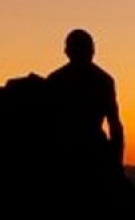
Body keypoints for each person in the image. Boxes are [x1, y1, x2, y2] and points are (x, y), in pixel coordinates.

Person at [46, 29, 126, 169]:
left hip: (74, 152)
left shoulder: (56, 79)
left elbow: (114, 124)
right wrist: (116, 161)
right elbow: (115, 124)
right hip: (80, 152)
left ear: (67, 51)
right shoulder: (103, 80)